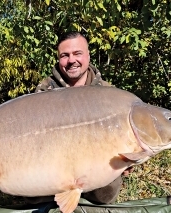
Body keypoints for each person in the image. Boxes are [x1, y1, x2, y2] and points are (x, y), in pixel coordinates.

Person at [26, 31, 130, 205]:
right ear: (59, 59)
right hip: (54, 158)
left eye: (77, 53)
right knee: (33, 194)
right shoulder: (45, 90)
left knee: (107, 191)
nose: (71, 60)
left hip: (95, 160)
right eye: (65, 55)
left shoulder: (107, 93)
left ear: (88, 55)